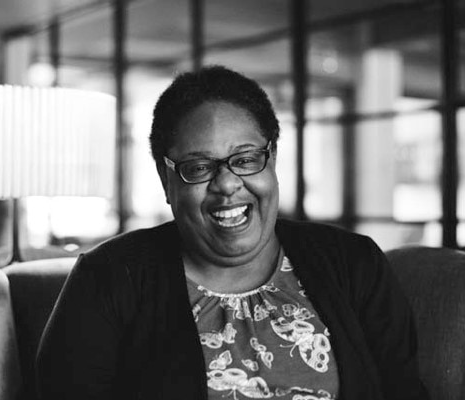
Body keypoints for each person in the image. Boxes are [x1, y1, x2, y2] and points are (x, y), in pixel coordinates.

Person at [36, 65, 428, 400]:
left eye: (245, 159)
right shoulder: (108, 278)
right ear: (166, 179)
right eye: (199, 166)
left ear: (271, 159)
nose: (227, 184)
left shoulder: (352, 261)